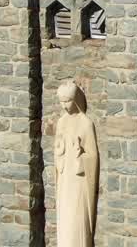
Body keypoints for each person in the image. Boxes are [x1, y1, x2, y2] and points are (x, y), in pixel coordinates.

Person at [55, 82, 98, 247]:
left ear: (76, 100)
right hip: (65, 180)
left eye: (67, 101)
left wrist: (80, 154)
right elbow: (58, 151)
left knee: (76, 220)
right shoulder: (61, 123)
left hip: (79, 181)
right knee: (65, 219)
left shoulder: (86, 123)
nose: (64, 106)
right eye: (61, 102)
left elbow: (92, 156)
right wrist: (60, 151)